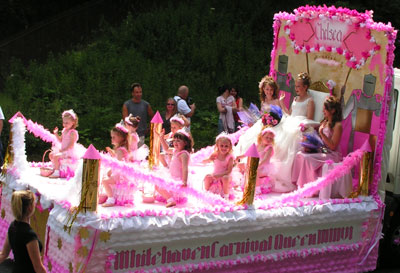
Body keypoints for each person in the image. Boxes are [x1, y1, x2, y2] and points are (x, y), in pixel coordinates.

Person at [292, 96, 343, 189]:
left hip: (332, 154)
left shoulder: (337, 125)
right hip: (322, 150)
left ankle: (310, 187)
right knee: (300, 154)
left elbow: (332, 146)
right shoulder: (325, 121)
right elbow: (319, 139)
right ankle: (297, 183)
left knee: (308, 158)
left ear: (333, 110)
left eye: (325, 109)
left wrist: (321, 133)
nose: (323, 111)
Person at [0, 190, 47, 273]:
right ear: (29, 208)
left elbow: (4, 254)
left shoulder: (13, 226)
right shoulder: (29, 235)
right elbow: (38, 267)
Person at [156, 130, 192, 207]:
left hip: (178, 179)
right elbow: (166, 149)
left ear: (185, 143)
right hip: (172, 176)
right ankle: (169, 198)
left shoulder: (183, 154)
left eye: (178, 141)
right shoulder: (175, 150)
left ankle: (171, 200)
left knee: (158, 185)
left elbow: (185, 168)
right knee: (157, 185)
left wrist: (184, 181)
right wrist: (161, 138)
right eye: (174, 140)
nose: (175, 143)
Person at [102, 124, 130, 207]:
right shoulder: (121, 149)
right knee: (105, 178)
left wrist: (110, 171)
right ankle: (108, 196)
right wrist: (113, 154)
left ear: (121, 138)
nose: (112, 139)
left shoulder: (120, 150)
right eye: (112, 137)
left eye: (114, 137)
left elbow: (118, 164)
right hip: (120, 173)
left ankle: (111, 199)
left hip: (120, 174)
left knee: (104, 181)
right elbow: (118, 159)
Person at [49, 110, 79, 178]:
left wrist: (64, 150)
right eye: (64, 122)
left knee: (56, 156)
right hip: (63, 150)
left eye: (67, 123)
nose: (65, 124)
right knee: (51, 154)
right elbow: (60, 140)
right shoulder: (64, 131)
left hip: (68, 151)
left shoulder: (72, 133)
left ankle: (57, 173)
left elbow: (71, 145)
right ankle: (55, 168)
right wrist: (56, 134)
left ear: (73, 123)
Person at [203, 134, 234, 200]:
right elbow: (204, 161)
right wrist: (209, 159)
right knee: (207, 177)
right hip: (216, 174)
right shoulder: (215, 154)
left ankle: (226, 196)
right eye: (221, 146)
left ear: (230, 147)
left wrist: (219, 175)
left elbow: (229, 171)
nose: (224, 148)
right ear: (217, 146)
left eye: (226, 146)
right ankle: (206, 193)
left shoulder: (230, 157)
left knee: (225, 178)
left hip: (225, 175)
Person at [256, 128, 275, 194]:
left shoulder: (269, 148)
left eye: (270, 138)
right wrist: (240, 156)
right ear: (262, 137)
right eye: (267, 137)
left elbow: (265, 159)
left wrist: (257, 166)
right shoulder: (257, 146)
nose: (268, 140)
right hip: (257, 164)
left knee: (256, 171)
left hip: (264, 166)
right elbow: (249, 153)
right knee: (245, 167)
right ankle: (250, 186)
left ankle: (257, 190)